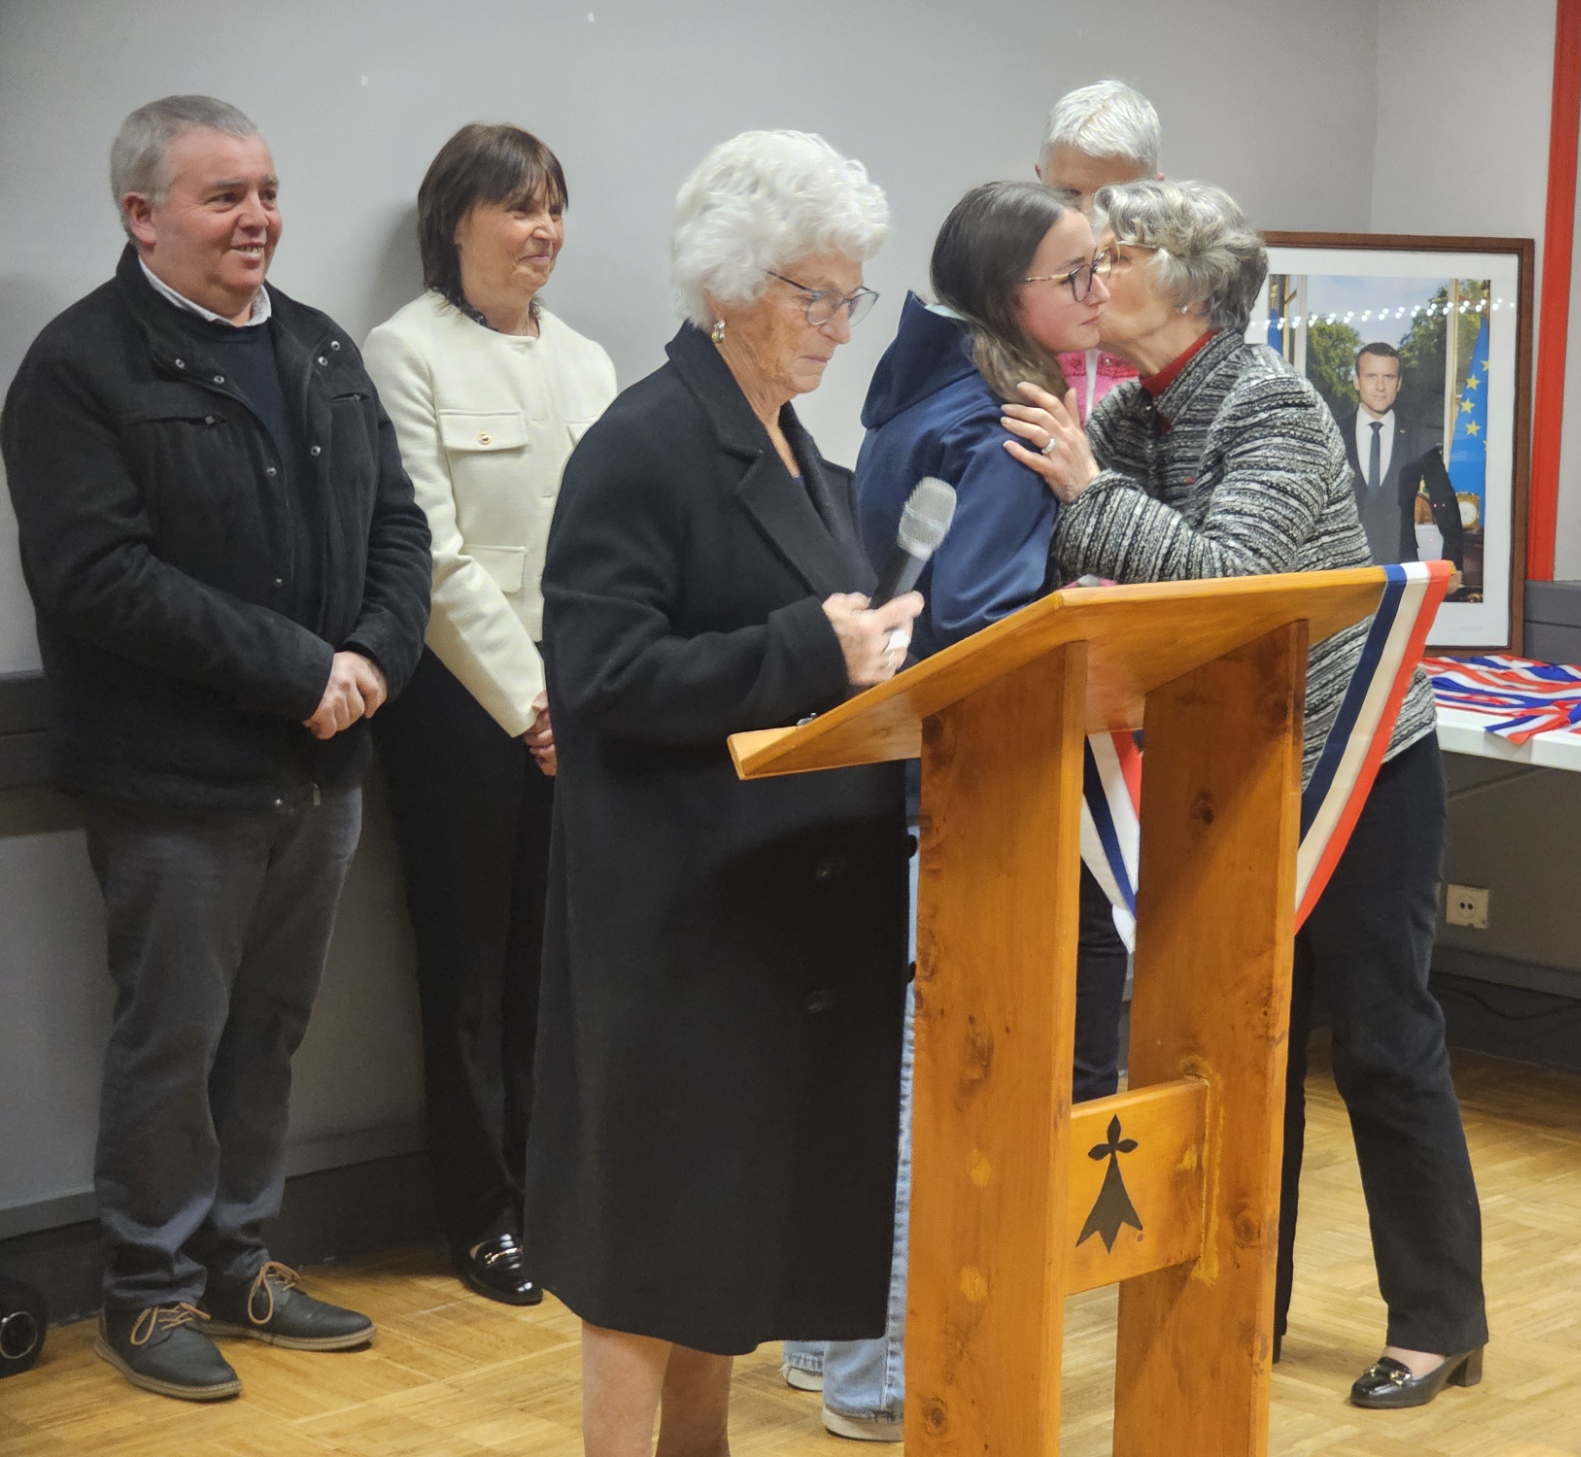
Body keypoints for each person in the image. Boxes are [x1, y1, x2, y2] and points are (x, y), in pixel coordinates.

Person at [1001, 178, 1490, 1411]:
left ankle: (1437, 1320)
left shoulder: (1272, 403)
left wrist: (1084, 497)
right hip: (1229, 765)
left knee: (1381, 1041)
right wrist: (1086, 503)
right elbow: (1082, 564)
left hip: (1359, 761)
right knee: (1236, 1047)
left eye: (1120, 252)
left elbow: (1229, 581)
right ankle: (1237, 1305)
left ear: (1191, 280)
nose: (1095, 270)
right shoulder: (1122, 415)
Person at [0, 95, 431, 1401]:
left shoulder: (317, 347)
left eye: (265, 189)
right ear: (141, 214)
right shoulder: (79, 368)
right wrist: (302, 670)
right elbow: (97, 580)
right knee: (169, 1043)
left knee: (270, 1033)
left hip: (323, 767)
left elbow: (400, 528)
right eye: (221, 196)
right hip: (175, 782)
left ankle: (243, 1259)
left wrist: (368, 662)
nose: (257, 217)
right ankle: (147, 1291)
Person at [525, 130, 920, 1457]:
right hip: (677, 916)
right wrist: (817, 652)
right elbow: (599, 673)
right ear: (733, 287)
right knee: (653, 1249)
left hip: (776, 915)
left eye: (846, 296)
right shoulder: (645, 442)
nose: (838, 325)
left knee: (719, 1250)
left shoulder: (792, 442)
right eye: (816, 295)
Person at [781, 180, 1119, 1440]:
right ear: (1004, 297)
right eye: (1073, 274)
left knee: (875, 1073)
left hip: (886, 785)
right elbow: (973, 626)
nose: (1097, 292)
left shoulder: (919, 386)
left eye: (1100, 268)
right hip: (958, 793)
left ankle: (825, 1348)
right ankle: (876, 1383)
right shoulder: (1003, 425)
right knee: (930, 1088)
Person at [362, 124, 617, 1308]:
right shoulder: (402, 353)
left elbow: (606, 550)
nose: (542, 230)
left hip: (582, 702)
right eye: (517, 207)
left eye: (553, 207)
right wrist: (530, 702)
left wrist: (583, 696)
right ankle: (481, 1213)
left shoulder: (588, 362)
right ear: (452, 219)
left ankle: (554, 1189)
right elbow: (434, 556)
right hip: (467, 713)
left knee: (553, 969)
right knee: (469, 970)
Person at [1036, 80, 1160, 419]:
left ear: (1155, 192)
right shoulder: (1008, 299)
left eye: (1111, 198)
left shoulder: (1183, 308)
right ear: (1038, 182)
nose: (1089, 217)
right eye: (1069, 195)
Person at [1343, 341, 1463, 566]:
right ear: (1357, 381)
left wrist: (1452, 564)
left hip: (1401, 569)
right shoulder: (1335, 436)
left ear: (1398, 384)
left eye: (1388, 377)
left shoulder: (1419, 437)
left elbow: (1444, 501)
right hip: (1344, 571)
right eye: (1371, 376)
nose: (1380, 386)